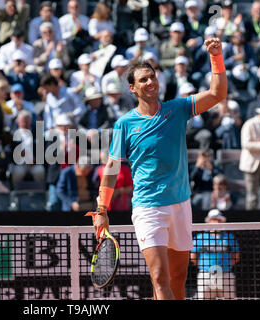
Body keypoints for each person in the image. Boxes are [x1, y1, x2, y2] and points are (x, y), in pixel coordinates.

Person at [90, 37, 227, 300]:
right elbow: (110, 168)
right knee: (159, 277)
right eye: (143, 80)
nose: (150, 82)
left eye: (152, 77)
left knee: (178, 281)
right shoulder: (125, 124)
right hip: (148, 208)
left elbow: (217, 94)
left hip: (180, 205)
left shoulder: (178, 109)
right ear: (132, 88)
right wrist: (101, 209)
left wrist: (216, 57)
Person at [190, 209, 240, 300]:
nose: (216, 222)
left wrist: (225, 267)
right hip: (205, 275)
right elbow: (193, 257)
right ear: (208, 222)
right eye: (213, 219)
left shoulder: (229, 237)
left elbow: (236, 256)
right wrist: (205, 268)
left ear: (222, 222)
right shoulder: (200, 237)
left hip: (225, 275)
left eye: (218, 220)